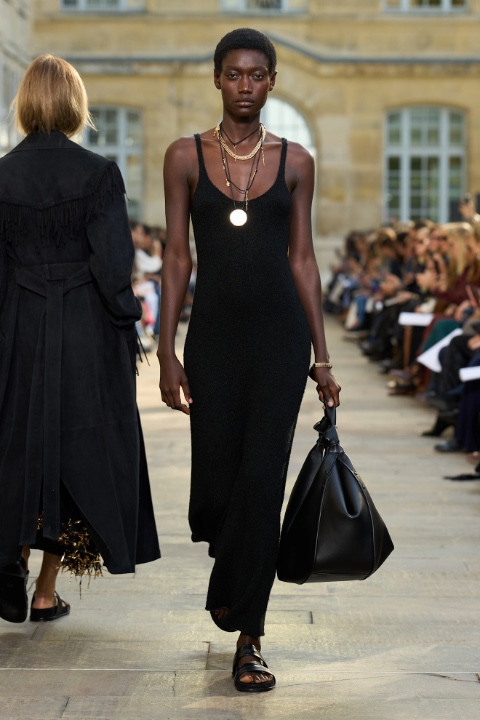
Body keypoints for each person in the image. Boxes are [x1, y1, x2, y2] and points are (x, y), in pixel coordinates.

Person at [158, 28, 340, 692]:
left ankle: (250, 638)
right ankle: (231, 569)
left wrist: (322, 359)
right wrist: (166, 351)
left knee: (262, 484)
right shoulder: (185, 155)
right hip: (211, 341)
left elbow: (304, 260)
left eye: (257, 74)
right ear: (217, 78)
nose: (245, 85)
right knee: (216, 491)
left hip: (279, 342)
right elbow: (176, 256)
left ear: (271, 82)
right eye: (234, 73)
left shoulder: (296, 162)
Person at [0, 55, 160, 625]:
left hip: (18, 329)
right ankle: (45, 592)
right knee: (81, 454)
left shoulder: (2, 175)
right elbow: (113, 266)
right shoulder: (99, 174)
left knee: (19, 447)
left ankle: (11, 559)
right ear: (75, 104)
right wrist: (128, 323)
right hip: (84, 331)